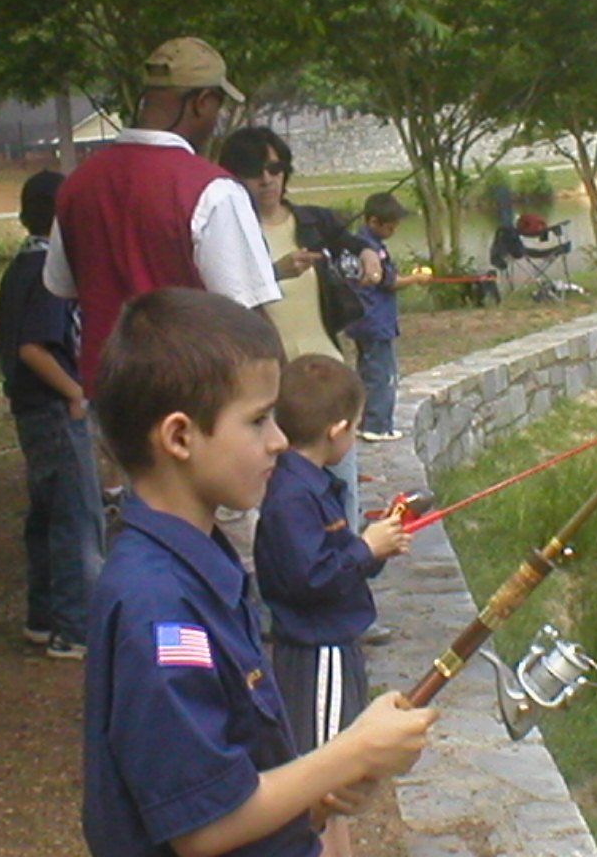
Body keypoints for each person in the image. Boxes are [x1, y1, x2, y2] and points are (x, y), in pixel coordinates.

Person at [82, 289, 437, 857]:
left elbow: (241, 772)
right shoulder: (158, 607)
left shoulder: (202, 562)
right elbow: (203, 829)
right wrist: (351, 753)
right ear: (179, 437)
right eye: (258, 420)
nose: (278, 441)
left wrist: (317, 794)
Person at [44, 37, 281, 398]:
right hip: (192, 395)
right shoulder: (213, 189)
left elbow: (62, 285)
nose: (216, 121)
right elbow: (245, 316)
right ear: (201, 102)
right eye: (216, 107)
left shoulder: (76, 185)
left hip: (109, 397)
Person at [254, 355, 412, 857]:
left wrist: (376, 546)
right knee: (325, 771)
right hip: (315, 650)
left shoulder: (309, 485)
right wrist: (366, 549)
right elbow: (311, 578)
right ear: (338, 430)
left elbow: (334, 563)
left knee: (335, 771)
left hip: (334, 645)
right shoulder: (293, 497)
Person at [220, 126, 381, 531]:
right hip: (272, 384)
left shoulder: (313, 221)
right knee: (283, 496)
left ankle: (348, 567)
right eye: (254, 170)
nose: (267, 179)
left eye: (275, 168)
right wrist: (276, 273)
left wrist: (368, 255)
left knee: (342, 486)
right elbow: (226, 298)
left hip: (325, 370)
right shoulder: (230, 232)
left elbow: (352, 241)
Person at [0, 169, 104, 659]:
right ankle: (76, 629)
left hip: (30, 410)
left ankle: (42, 618)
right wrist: (76, 393)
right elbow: (34, 348)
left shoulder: (18, 267)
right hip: (54, 409)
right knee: (78, 518)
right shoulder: (45, 272)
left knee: (45, 514)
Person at [346, 192, 431, 443]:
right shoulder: (370, 249)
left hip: (364, 322)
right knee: (382, 375)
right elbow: (388, 282)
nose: (394, 230)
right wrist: (416, 279)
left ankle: (366, 422)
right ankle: (377, 426)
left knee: (368, 372)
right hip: (375, 322)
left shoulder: (359, 244)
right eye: (390, 226)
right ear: (373, 222)